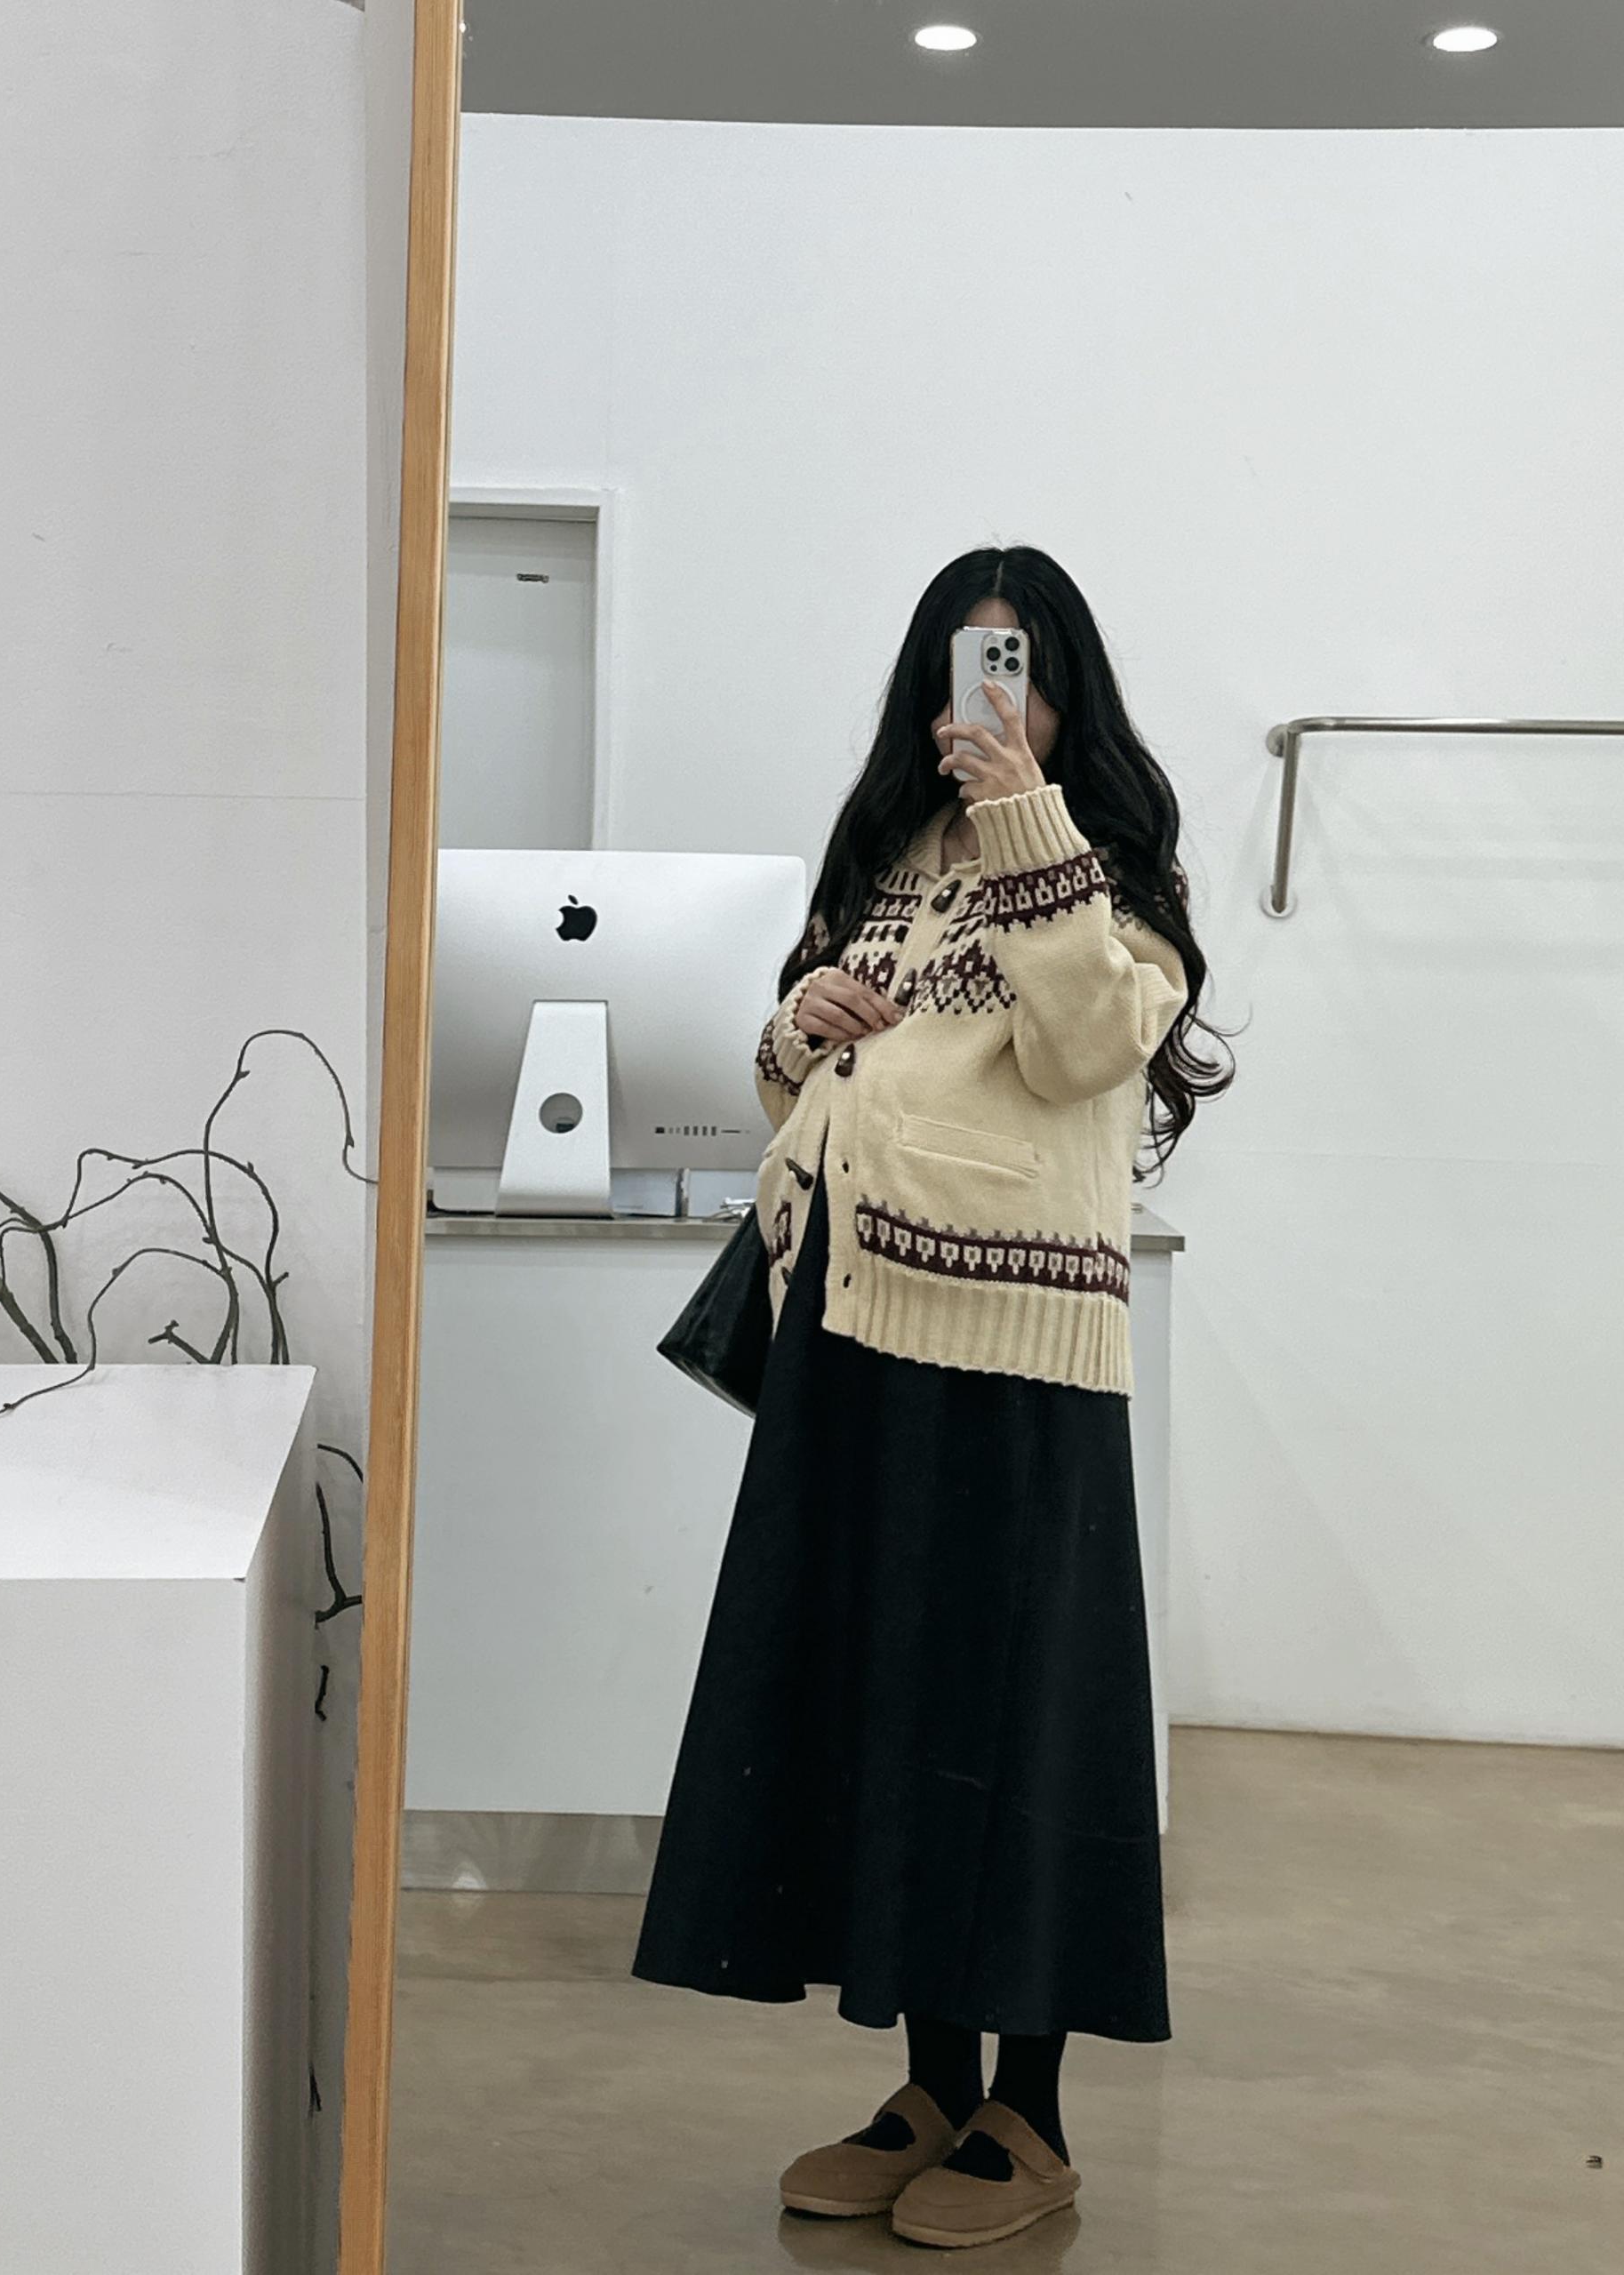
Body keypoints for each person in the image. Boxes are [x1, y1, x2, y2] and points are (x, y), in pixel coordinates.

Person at [631, 545, 1234, 2250]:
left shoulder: (1113, 872)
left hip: (1017, 1353)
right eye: (965, 665)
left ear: (1063, 692)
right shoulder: (885, 862)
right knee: (881, 1700)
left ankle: (1030, 2113)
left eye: (1017, 666)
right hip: (848, 1322)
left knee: (1016, 1711)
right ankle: (930, 2082)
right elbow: (818, 1086)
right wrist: (797, 1028)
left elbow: (1085, 1049)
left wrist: (1027, 813)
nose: (990, 698)